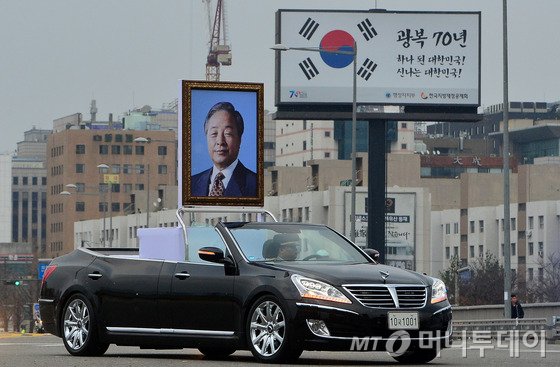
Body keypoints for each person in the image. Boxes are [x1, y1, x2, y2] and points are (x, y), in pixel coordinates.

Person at [191, 101, 257, 197]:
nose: (220, 141)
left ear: (240, 139)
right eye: (214, 133)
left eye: (228, 133)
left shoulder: (255, 184)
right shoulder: (191, 183)